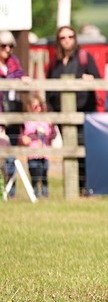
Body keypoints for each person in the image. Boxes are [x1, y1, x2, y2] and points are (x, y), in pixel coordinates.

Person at [47, 25, 101, 113]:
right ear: (58, 40)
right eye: (62, 38)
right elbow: (48, 86)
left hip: (83, 109)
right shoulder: (55, 61)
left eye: (70, 37)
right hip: (58, 110)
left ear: (75, 39)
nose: (67, 40)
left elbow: (97, 78)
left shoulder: (84, 57)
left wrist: (89, 78)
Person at [1, 30, 29, 194]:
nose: (7, 49)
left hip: (11, 111)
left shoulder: (14, 63)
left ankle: (10, 191)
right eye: (3, 45)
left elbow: (21, 75)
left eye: (10, 46)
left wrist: (23, 80)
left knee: (11, 152)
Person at [19, 96, 56, 198]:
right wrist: (25, 139)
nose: (38, 109)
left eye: (40, 106)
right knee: (34, 175)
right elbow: (23, 136)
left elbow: (52, 134)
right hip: (32, 154)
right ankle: (34, 194)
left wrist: (49, 129)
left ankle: (45, 194)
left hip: (44, 154)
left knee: (44, 175)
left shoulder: (46, 121)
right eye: (35, 106)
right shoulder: (27, 122)